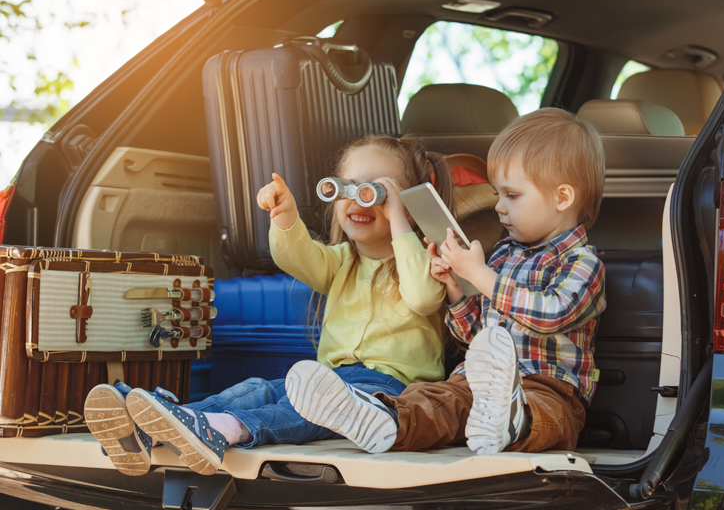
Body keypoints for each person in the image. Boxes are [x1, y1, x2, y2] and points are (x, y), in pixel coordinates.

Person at [83, 135, 454, 475]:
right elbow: (295, 256)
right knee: (261, 388)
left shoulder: (425, 261)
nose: (358, 200)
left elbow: (422, 298)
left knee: (301, 410)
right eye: (348, 188)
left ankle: (227, 429)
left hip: (388, 389)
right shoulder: (341, 261)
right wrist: (286, 215)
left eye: (375, 191)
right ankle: (160, 422)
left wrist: (401, 222)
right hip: (327, 376)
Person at [286, 108, 606, 456]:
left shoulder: (582, 263)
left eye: (511, 196)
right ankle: (384, 420)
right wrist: (455, 289)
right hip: (475, 383)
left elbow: (551, 315)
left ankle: (513, 420)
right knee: (435, 400)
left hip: (547, 385)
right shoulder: (501, 255)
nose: (499, 208)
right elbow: (475, 336)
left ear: (562, 197)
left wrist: (482, 276)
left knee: (551, 418)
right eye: (497, 195)